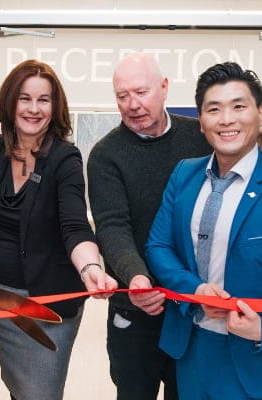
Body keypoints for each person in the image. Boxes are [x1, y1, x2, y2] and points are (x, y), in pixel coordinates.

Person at [146, 61, 262, 400]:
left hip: (252, 357)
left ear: (260, 113)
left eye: (238, 106)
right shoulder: (184, 175)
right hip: (189, 348)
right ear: (201, 121)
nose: (226, 119)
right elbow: (159, 246)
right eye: (214, 109)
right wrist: (195, 290)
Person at [0, 59, 117, 399]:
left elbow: (75, 225)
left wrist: (91, 267)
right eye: (25, 98)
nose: (34, 109)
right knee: (16, 387)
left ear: (56, 107)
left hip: (48, 303)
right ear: (11, 102)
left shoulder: (64, 158)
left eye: (44, 100)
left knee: (41, 393)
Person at [87, 53, 212, 400]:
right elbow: (112, 226)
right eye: (122, 96)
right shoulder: (106, 155)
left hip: (194, 307)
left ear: (164, 87)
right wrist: (136, 276)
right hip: (135, 306)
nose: (133, 104)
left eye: (141, 92)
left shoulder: (201, 138)